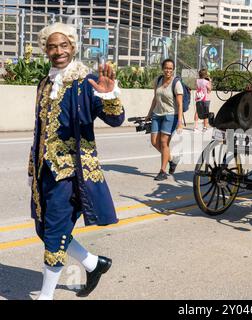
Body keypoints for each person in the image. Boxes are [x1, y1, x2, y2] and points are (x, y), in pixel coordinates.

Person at [28, 23, 124, 300]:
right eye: (52, 46)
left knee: (55, 230)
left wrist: (108, 95)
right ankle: (94, 264)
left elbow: (116, 119)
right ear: (45, 50)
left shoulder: (86, 82)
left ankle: (45, 296)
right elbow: (40, 129)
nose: (58, 51)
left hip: (71, 172)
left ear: (72, 47)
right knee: (44, 227)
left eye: (63, 45)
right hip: (44, 170)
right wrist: (33, 166)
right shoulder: (44, 84)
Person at [145, 58, 183, 181]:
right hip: (157, 114)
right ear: (163, 68)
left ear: (173, 70)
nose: (168, 70)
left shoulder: (176, 83)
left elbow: (180, 104)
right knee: (154, 142)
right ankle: (172, 160)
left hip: (170, 115)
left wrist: (180, 122)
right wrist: (149, 114)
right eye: (166, 68)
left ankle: (162, 171)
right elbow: (155, 98)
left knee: (163, 142)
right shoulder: (158, 80)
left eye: (170, 68)